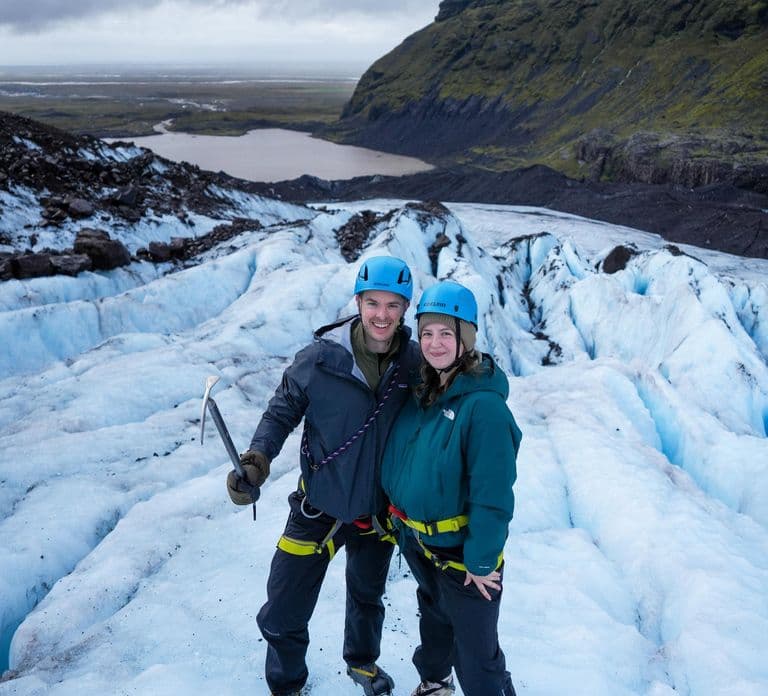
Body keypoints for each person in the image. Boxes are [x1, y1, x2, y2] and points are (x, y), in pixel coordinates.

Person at [226, 255, 421, 696]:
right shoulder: (321, 358)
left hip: (378, 512)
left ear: (405, 308)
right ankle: (287, 683)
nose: (382, 315)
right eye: (373, 303)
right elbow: (281, 411)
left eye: (393, 305)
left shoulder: (413, 363)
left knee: (367, 599)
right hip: (320, 504)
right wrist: (257, 458)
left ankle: (362, 664)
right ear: (358, 301)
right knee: (282, 608)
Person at [381, 280, 522, 696]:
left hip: (464, 557)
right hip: (422, 543)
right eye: (427, 332)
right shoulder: (425, 391)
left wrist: (482, 560)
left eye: (447, 333)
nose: (435, 343)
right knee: (436, 620)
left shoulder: (484, 408)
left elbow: (494, 496)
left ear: (466, 339)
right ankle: (435, 684)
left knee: (478, 659)